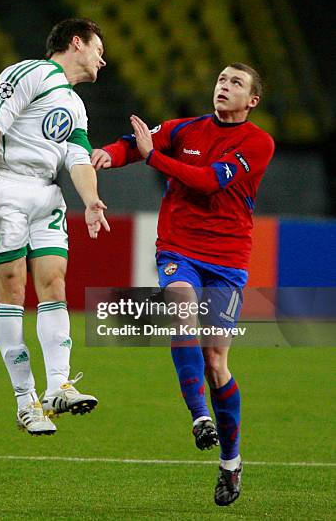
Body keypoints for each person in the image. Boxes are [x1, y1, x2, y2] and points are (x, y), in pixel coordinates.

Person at [92, 63, 274, 506]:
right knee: (179, 307)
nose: (223, 87)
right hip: (179, 248)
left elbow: (210, 182)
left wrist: (153, 156)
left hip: (229, 259)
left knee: (216, 362)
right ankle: (199, 418)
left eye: (235, 84)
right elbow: (133, 145)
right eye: (220, 80)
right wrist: (105, 156)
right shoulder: (185, 129)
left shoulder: (257, 142)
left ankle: (230, 462)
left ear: (252, 100)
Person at [0, 18, 109, 437]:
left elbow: (79, 159)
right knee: (12, 287)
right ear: (76, 42)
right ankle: (25, 401)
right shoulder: (29, 72)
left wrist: (91, 202)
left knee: (54, 283)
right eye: (98, 48)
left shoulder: (77, 105)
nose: (103, 58)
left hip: (46, 193)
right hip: (6, 186)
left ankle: (57, 387)